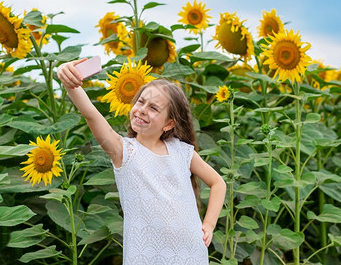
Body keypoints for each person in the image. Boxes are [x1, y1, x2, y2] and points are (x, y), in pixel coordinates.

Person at [57, 58, 227, 265]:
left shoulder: (182, 152)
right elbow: (91, 115)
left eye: (154, 108)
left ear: (169, 124)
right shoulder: (123, 151)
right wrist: (69, 82)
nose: (143, 109)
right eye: (140, 101)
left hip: (191, 254)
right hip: (146, 257)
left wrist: (208, 224)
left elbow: (218, 183)